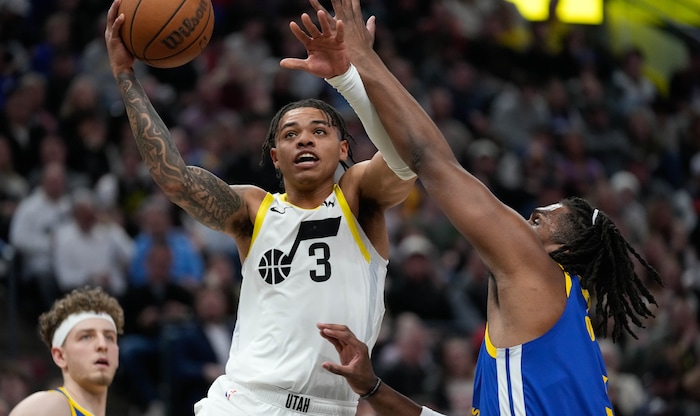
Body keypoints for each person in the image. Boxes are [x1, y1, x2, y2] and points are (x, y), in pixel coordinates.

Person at [281, 0, 663, 414]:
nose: (518, 222)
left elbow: (430, 159)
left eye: (537, 221)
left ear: (562, 253)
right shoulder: (551, 340)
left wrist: (360, 63)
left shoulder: (540, 272)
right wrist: (374, 388)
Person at [104, 0, 416, 415]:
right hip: (246, 401)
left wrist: (350, 75)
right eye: (291, 134)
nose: (304, 139)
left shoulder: (358, 197)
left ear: (344, 149)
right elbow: (175, 178)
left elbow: (409, 156)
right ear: (275, 156)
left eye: (319, 131)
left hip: (333, 408)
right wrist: (126, 77)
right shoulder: (254, 208)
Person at [8, 286, 124, 416]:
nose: (103, 345)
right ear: (60, 356)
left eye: (109, 337)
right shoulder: (49, 406)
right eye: (86, 336)